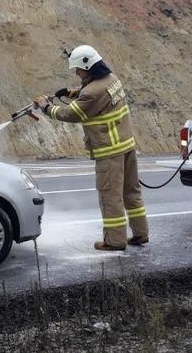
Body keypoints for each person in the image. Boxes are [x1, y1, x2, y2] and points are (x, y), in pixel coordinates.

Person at [34, 45, 148, 251]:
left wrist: (45, 107)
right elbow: (95, 94)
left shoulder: (92, 93)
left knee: (110, 197)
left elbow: (71, 114)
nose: (77, 73)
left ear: (89, 66)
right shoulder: (112, 79)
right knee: (131, 192)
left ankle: (114, 241)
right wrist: (72, 92)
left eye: (78, 69)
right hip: (127, 147)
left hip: (109, 152)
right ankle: (141, 234)